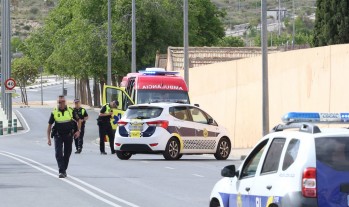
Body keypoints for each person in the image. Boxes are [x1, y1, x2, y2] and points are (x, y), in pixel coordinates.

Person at [47, 95, 81, 178]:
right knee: (58, 153)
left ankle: (63, 169)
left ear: (65, 102)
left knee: (67, 153)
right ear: (58, 102)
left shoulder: (70, 110)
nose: (61, 103)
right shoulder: (54, 112)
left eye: (62, 102)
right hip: (58, 135)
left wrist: (78, 131)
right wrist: (48, 139)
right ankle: (61, 171)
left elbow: (79, 120)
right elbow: (49, 126)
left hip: (68, 135)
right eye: (59, 102)